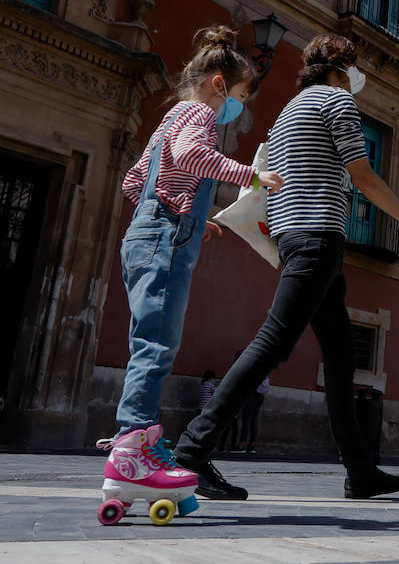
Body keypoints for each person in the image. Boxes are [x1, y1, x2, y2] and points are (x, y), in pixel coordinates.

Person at [174, 35, 399, 500]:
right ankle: (191, 452)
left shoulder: (291, 108)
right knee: (272, 344)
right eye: (355, 67)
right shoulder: (337, 102)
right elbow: (363, 176)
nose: (359, 77)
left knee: (340, 356)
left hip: (297, 235)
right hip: (317, 236)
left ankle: (360, 470)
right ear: (340, 68)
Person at [96, 27, 285, 512]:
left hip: (149, 234)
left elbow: (134, 179)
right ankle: (132, 453)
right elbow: (191, 157)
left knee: (148, 341)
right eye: (240, 96)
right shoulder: (200, 113)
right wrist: (250, 175)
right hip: (164, 240)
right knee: (157, 346)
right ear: (221, 85)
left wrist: (175, 210)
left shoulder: (168, 119)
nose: (237, 107)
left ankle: (142, 446)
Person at [238, 376, 268, 453]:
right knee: (254, 420)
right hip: (260, 396)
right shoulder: (265, 369)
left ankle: (242, 445)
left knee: (246, 419)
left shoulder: (254, 366)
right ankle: (251, 445)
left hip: (252, 394)